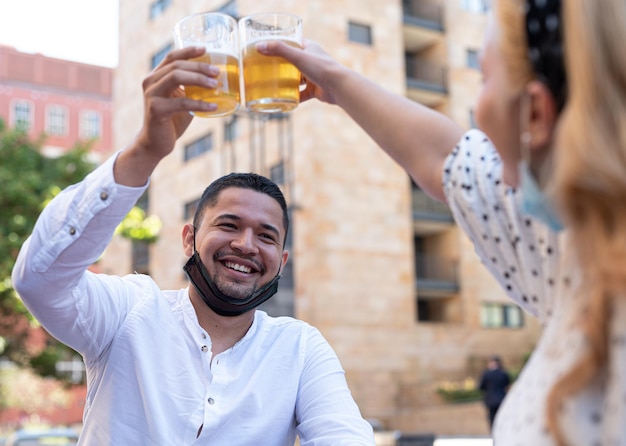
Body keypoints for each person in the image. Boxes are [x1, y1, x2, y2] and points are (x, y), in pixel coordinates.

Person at [257, 0, 626, 444]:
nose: (476, 110)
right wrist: (333, 79)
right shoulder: (573, 253)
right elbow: (446, 161)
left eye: (483, 78)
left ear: (535, 114)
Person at [11, 46, 375, 445]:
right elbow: (39, 279)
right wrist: (144, 153)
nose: (246, 244)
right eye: (228, 224)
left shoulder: (301, 349)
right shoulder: (128, 312)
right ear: (190, 238)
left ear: (282, 260)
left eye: (266, 236)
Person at [478, 356, 510, 429]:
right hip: (501, 399)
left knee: (492, 419)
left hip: (491, 400)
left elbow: (481, 386)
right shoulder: (503, 373)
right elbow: (507, 383)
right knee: (500, 417)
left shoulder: (486, 374)